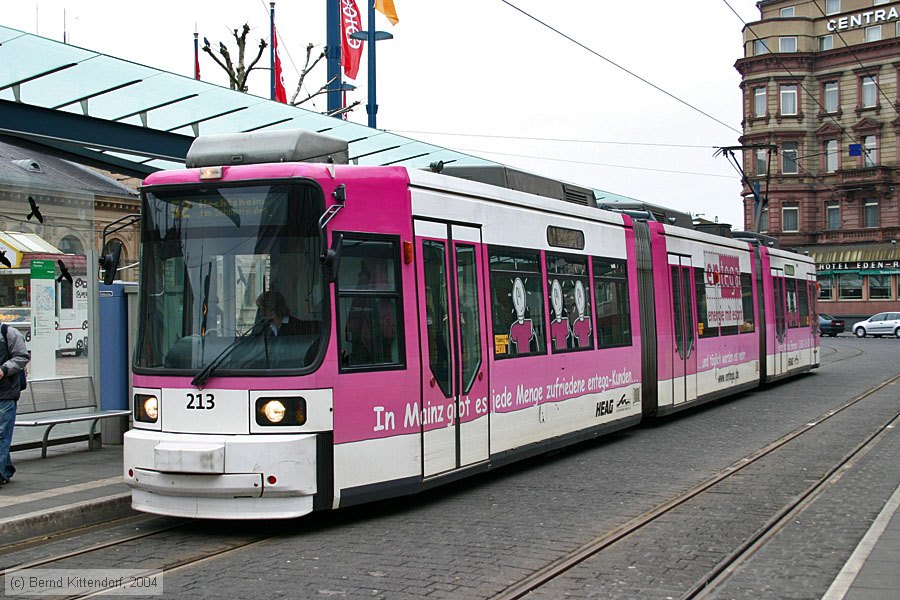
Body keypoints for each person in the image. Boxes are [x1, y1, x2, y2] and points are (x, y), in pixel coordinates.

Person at [0, 323, 29, 486]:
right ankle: (5, 469)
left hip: (5, 394)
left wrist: (4, 369)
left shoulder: (8, 333)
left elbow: (22, 357)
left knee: (2, 434)